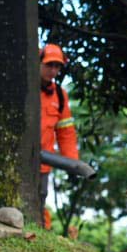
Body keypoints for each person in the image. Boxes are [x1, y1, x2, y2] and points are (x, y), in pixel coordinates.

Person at [38, 43, 80, 231]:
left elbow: (66, 134)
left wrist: (73, 166)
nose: (53, 71)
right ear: (38, 63)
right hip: (16, 159)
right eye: (49, 65)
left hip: (42, 166)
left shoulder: (60, 96)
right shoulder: (23, 88)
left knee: (37, 205)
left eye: (57, 66)